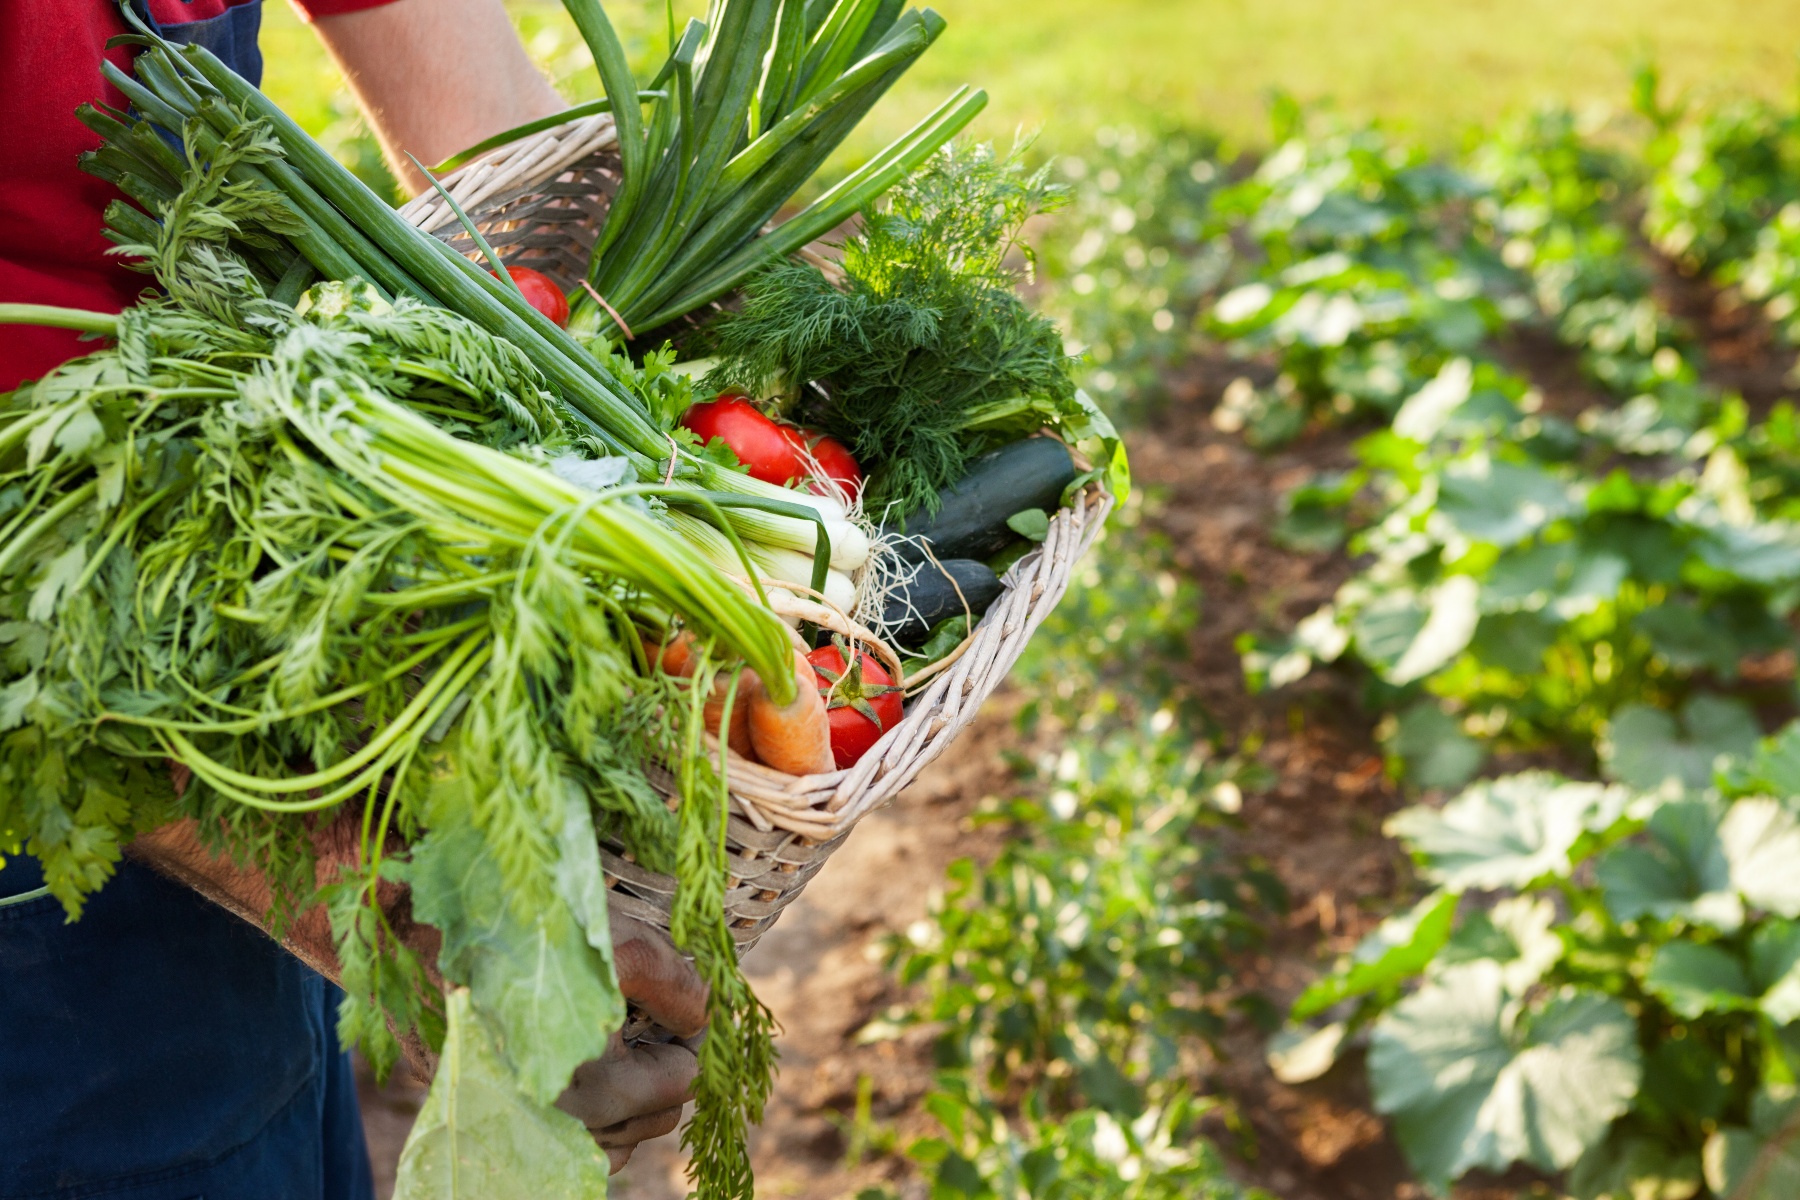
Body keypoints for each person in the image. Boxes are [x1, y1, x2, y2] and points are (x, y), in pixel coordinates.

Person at [0, 1, 706, 1194]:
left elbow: (488, 124)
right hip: (62, 790)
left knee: (259, 1108)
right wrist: (358, 897)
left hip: (248, 667)